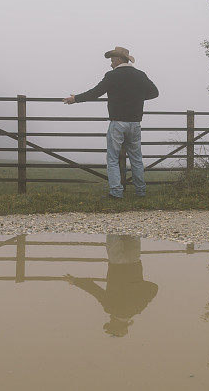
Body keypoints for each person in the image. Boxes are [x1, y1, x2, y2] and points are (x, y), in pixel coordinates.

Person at [63, 47, 158, 198]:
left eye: (112, 60)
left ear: (119, 59)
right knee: (136, 159)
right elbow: (154, 92)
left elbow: (95, 92)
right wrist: (136, 98)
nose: (111, 64)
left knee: (112, 158)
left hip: (118, 122)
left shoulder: (112, 76)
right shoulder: (140, 75)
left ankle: (116, 192)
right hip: (135, 123)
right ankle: (141, 191)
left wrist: (75, 99)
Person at [64, 234, 158, 337]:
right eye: (110, 323)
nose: (109, 319)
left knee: (132, 230)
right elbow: (94, 289)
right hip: (117, 263)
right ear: (115, 323)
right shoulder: (110, 308)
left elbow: (154, 288)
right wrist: (75, 281)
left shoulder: (138, 308)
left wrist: (136, 284)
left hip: (134, 261)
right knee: (113, 230)